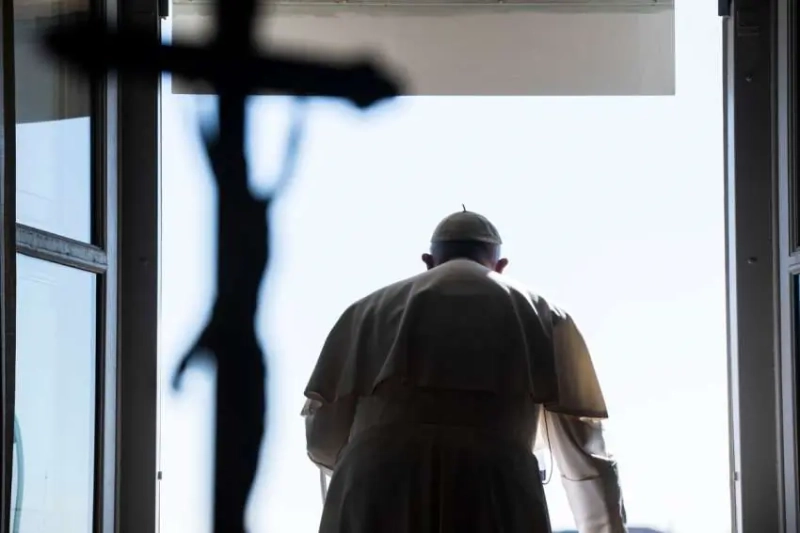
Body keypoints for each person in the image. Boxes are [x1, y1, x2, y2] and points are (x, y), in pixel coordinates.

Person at [301, 209, 627, 533]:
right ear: (500, 267)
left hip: (376, 486)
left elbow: (323, 441)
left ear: (428, 261)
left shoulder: (364, 313)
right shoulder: (544, 315)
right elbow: (585, 456)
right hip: (492, 488)